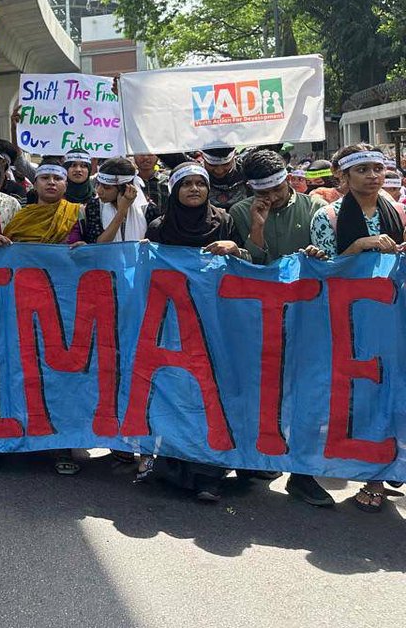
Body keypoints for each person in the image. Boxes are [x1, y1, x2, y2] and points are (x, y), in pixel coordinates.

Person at [226, 149, 332, 507]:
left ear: (288, 177)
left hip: (308, 316)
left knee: (307, 395)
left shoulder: (315, 207)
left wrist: (319, 255)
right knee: (257, 392)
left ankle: (302, 475)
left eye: (277, 187)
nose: (272, 197)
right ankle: (252, 462)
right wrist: (256, 228)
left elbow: (331, 258)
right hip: (259, 319)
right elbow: (247, 265)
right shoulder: (240, 212)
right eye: (263, 192)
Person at [141, 161, 250, 503]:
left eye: (199, 184)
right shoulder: (159, 227)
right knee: (176, 391)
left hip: (217, 322)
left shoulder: (225, 222)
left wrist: (236, 250)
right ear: (174, 190)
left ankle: (209, 475)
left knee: (212, 394)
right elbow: (149, 273)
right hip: (173, 323)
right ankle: (172, 468)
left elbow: (247, 266)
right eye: (186, 184)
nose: (193, 190)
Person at [309, 144, 404, 513]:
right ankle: (372, 475)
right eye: (362, 170)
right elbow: (323, 272)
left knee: (392, 395)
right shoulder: (328, 217)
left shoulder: (396, 211)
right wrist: (359, 247)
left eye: (377, 169)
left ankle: (385, 468)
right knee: (360, 398)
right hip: (348, 324)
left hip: (391, 319)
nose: (373, 176)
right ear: (343, 177)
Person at [68, 156, 149, 244]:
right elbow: (100, 245)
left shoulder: (146, 209)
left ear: (124, 189)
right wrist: (121, 212)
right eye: (98, 184)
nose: (99, 191)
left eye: (107, 187)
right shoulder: (95, 206)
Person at [3, 163, 82, 244]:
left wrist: (84, 247)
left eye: (58, 178)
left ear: (66, 186)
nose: (51, 182)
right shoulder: (21, 217)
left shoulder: (78, 213)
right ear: (35, 185)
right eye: (45, 178)